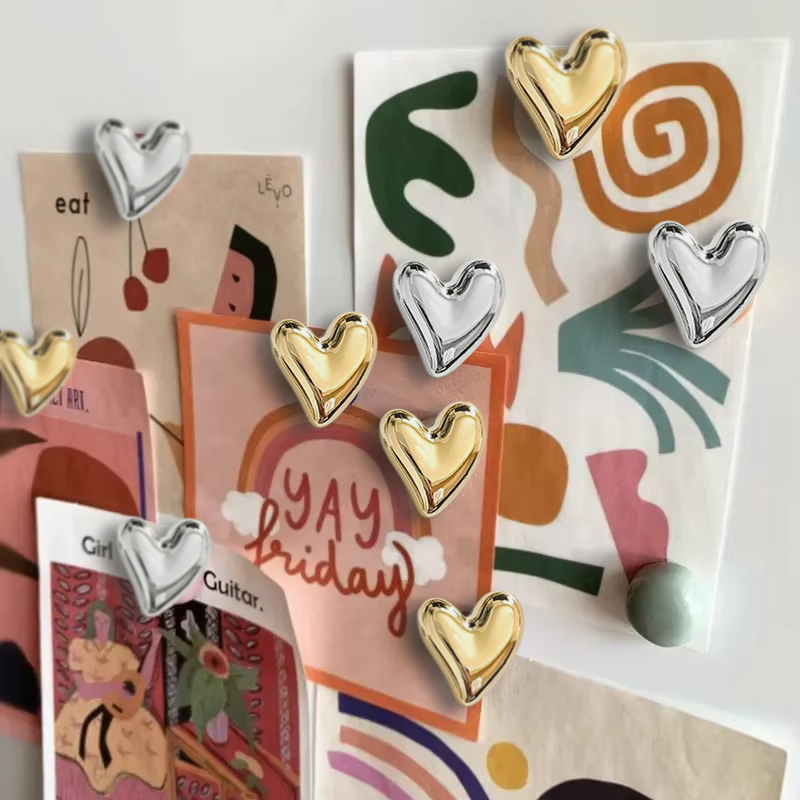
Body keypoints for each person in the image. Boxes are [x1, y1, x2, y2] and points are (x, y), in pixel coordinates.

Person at [54, 601, 168, 794]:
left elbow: (142, 682)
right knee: (96, 733)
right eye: (98, 620)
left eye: (105, 621)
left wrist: (155, 644)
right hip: (87, 704)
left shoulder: (121, 653)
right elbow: (85, 691)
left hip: (119, 705)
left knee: (148, 732)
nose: (102, 625)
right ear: (91, 622)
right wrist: (112, 686)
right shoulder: (81, 648)